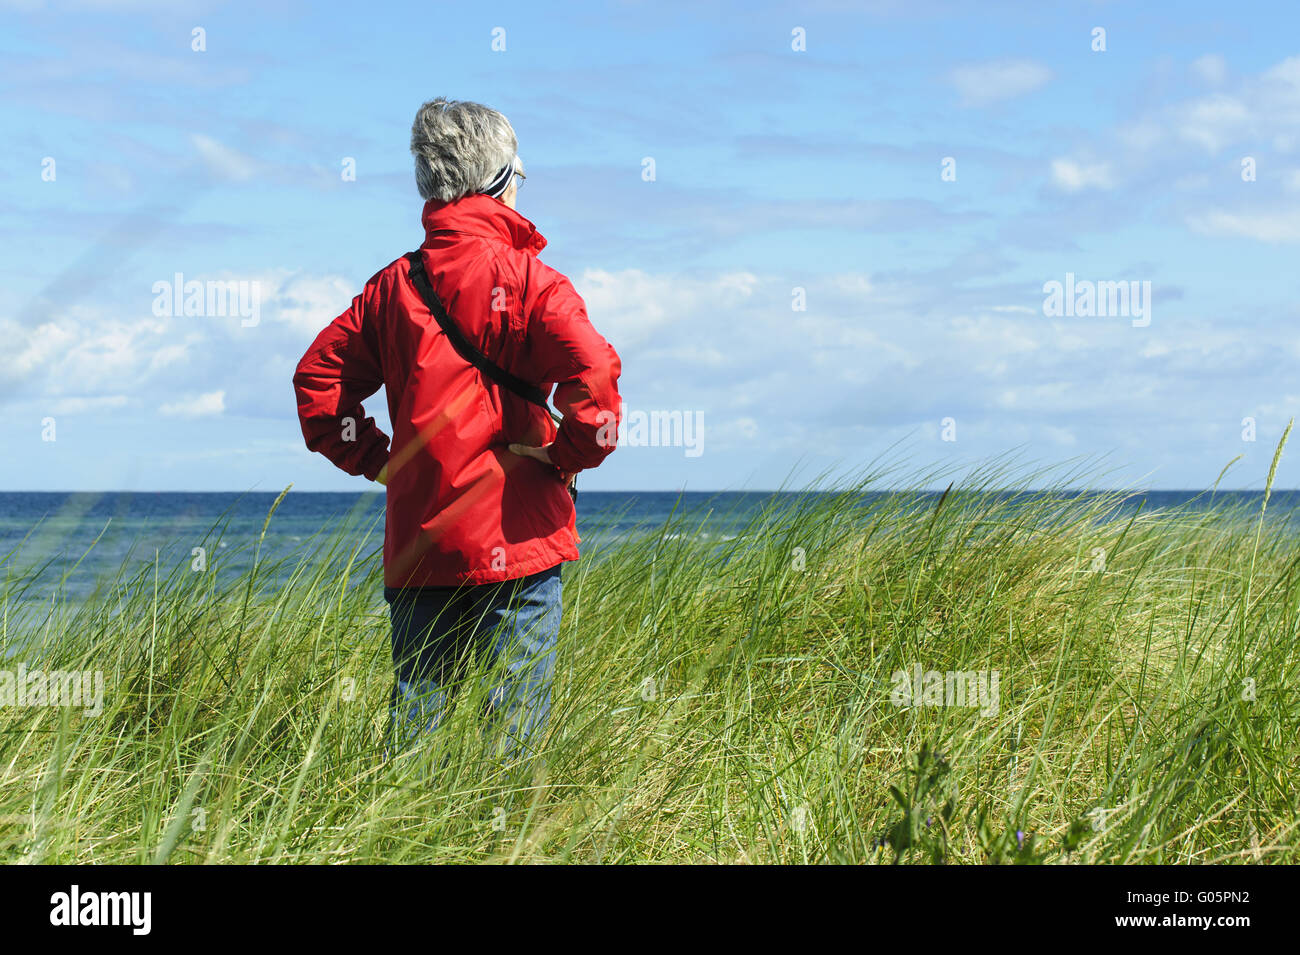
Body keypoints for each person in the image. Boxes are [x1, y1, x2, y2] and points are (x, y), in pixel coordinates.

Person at [293, 97, 622, 757]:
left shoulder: (393, 288)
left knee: (415, 735)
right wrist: (565, 456)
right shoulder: (535, 282)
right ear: (501, 179)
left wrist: (384, 463)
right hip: (519, 537)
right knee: (514, 737)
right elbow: (597, 383)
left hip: (423, 541)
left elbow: (317, 386)